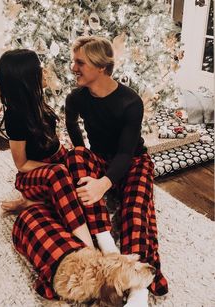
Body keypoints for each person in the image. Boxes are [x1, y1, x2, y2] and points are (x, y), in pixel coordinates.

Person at [0, 49, 118, 298]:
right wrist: (58, 169)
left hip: (53, 164)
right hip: (33, 175)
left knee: (78, 158)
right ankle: (89, 247)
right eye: (39, 68)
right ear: (27, 79)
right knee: (59, 176)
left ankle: (101, 234)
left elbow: (55, 145)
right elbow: (22, 164)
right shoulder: (15, 116)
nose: (44, 70)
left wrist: (70, 160)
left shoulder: (39, 102)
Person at [65, 36, 168, 307]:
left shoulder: (130, 102)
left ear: (101, 67)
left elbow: (125, 153)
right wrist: (82, 152)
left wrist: (104, 184)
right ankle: (106, 243)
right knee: (75, 156)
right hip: (100, 157)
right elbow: (71, 125)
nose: (73, 67)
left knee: (135, 209)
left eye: (80, 62)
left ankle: (137, 288)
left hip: (133, 159)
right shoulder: (76, 97)